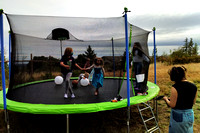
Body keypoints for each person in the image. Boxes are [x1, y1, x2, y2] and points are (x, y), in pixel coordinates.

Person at [163, 66, 197, 133]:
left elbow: (172, 105)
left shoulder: (175, 87)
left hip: (178, 116)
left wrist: (166, 99)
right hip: (190, 114)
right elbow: (193, 102)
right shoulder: (194, 86)